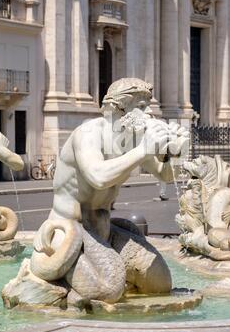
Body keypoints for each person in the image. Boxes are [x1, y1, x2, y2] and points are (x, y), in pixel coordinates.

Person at [49, 77, 188, 242]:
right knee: (101, 268)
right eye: (141, 107)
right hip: (66, 228)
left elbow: (165, 175)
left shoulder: (133, 139)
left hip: (102, 227)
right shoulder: (88, 133)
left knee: (154, 266)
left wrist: (178, 153)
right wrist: (144, 149)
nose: (150, 112)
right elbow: (98, 177)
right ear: (118, 109)